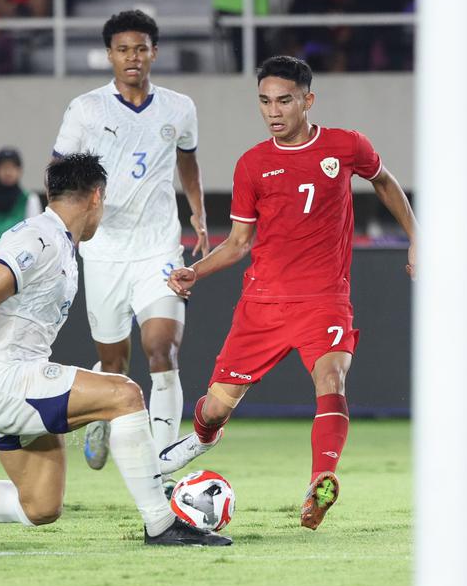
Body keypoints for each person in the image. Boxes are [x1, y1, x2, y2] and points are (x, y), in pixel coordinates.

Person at [0, 153, 230, 547]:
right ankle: (161, 524)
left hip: (7, 380)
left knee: (41, 506)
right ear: (96, 196)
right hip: (6, 382)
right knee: (125, 394)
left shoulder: (56, 239)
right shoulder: (40, 238)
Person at [159, 55, 417, 530]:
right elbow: (239, 243)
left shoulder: (346, 146)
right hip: (263, 304)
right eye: (264, 102)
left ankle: (322, 479)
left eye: (284, 101)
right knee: (215, 408)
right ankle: (204, 436)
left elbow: (383, 181)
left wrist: (416, 237)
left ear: (307, 100)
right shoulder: (252, 165)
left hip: (325, 300)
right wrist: (197, 271)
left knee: (332, 379)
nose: (273, 111)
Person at [51, 10, 209, 473]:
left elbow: (187, 159)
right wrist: (62, 228)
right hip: (104, 251)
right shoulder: (86, 109)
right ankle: (100, 415)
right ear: (109, 55)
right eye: (123, 49)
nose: (132, 57)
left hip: (159, 249)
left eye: (140, 48)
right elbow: (57, 171)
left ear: (154, 52)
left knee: (163, 352)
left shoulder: (179, 107)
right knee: (114, 365)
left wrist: (198, 210)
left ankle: (161, 466)